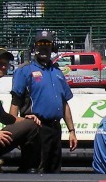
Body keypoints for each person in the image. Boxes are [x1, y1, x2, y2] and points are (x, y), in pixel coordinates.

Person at [10, 30, 78, 172]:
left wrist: (72, 131)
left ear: (52, 48)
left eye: (47, 44)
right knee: (35, 170)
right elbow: (15, 101)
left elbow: (64, 103)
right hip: (36, 128)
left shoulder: (57, 72)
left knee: (54, 169)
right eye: (40, 44)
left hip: (55, 129)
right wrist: (15, 131)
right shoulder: (25, 70)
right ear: (34, 47)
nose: (44, 47)